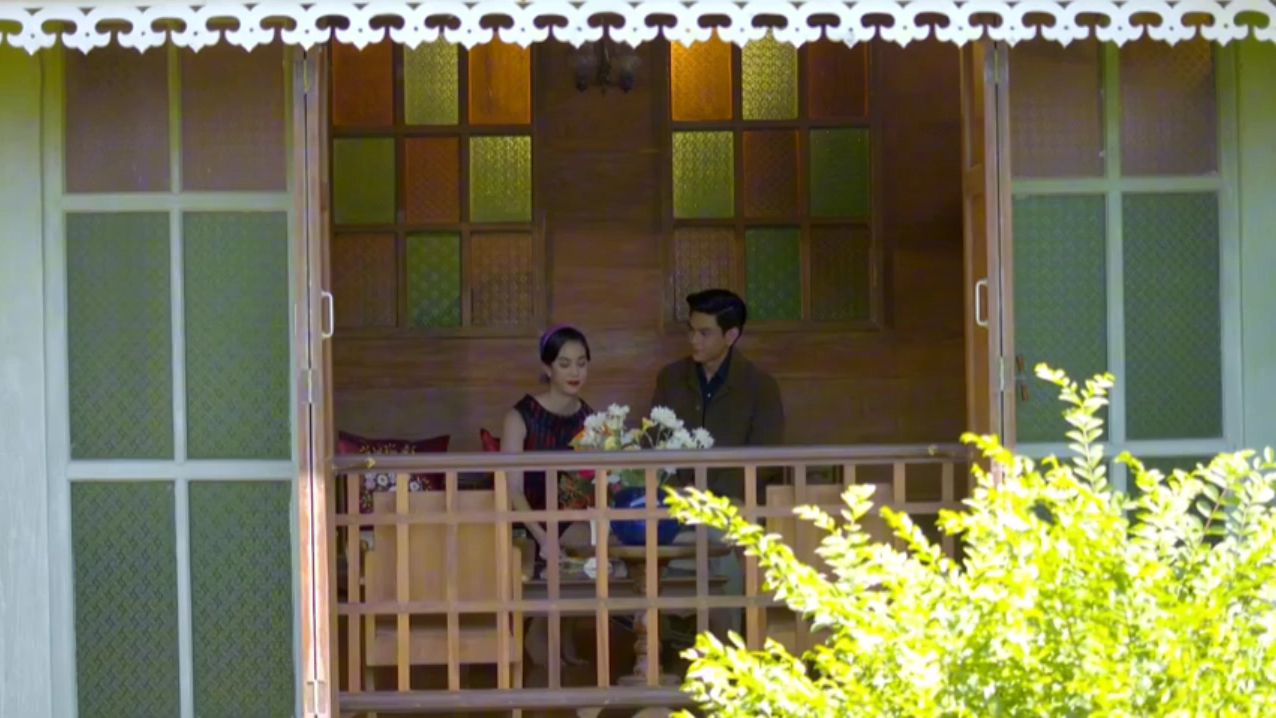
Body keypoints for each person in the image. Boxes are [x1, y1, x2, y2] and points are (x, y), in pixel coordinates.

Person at [651, 289, 785, 497]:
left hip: (735, 503)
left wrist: (713, 495)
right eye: (691, 331)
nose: (694, 340)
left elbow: (766, 457)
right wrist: (677, 492)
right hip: (675, 500)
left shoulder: (760, 386)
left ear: (730, 336)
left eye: (704, 333)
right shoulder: (670, 378)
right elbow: (654, 441)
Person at [501, 325, 594, 563]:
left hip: (572, 524)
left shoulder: (590, 420)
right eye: (564, 364)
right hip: (525, 524)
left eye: (581, 363)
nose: (575, 372)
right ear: (547, 368)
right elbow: (513, 489)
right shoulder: (520, 417)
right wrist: (543, 537)